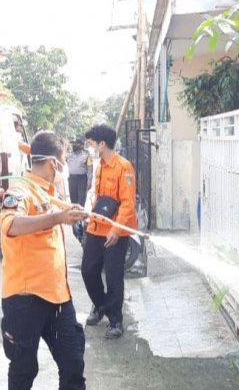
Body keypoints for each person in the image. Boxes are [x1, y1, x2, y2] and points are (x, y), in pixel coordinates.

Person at [0, 131, 88, 390]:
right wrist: (58, 218)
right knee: (24, 370)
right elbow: (12, 225)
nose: (64, 171)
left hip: (59, 298)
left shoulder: (49, 193)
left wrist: (70, 211)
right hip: (25, 299)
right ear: (53, 164)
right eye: (63, 164)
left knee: (73, 365)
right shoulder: (19, 191)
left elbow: (57, 213)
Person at [81, 124, 137, 339]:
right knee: (88, 270)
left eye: (92, 144)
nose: (90, 147)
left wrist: (115, 229)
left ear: (102, 144)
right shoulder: (99, 166)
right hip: (96, 228)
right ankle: (101, 305)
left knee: (114, 278)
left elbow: (127, 203)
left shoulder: (124, 167)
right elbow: (96, 196)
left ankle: (115, 320)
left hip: (116, 233)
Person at [67, 139, 91, 207]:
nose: (74, 145)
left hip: (82, 180)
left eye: (76, 144)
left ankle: (81, 217)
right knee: (73, 201)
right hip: (71, 179)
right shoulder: (69, 155)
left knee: (81, 201)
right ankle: (74, 217)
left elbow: (90, 170)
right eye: (73, 144)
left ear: (81, 146)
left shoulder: (87, 156)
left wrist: (89, 181)